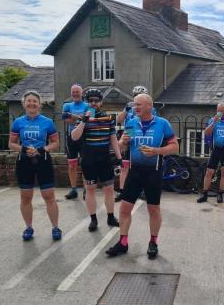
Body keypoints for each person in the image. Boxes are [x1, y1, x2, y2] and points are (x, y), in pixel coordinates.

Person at [106, 93, 179, 259]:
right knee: (124, 208)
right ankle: (123, 242)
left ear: (149, 106)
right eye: (134, 105)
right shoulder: (131, 123)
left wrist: (156, 151)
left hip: (153, 171)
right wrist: (122, 142)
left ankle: (153, 242)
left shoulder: (162, 124)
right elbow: (121, 149)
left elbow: (175, 146)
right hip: (135, 171)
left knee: (153, 209)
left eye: (139, 104)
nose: (135, 107)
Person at [8, 91, 62, 240]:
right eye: (29, 101)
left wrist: (43, 149)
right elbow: (11, 143)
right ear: (24, 104)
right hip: (24, 161)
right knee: (26, 197)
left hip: (43, 160)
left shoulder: (47, 122)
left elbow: (56, 143)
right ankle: (28, 228)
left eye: (34, 101)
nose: (32, 104)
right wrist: (24, 149)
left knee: (49, 196)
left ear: (39, 104)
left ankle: (55, 228)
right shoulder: (18, 122)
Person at [70, 89, 122, 231]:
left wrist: (119, 157)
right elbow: (74, 137)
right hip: (89, 158)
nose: (93, 103)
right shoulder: (82, 118)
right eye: (90, 101)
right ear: (87, 102)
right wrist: (84, 121)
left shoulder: (109, 118)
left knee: (109, 189)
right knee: (90, 189)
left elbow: (113, 139)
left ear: (101, 102)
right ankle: (93, 219)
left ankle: (111, 217)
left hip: (104, 157)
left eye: (96, 101)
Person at [114, 85, 160, 202]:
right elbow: (118, 120)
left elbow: (155, 123)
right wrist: (126, 109)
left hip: (144, 133)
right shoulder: (130, 107)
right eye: (135, 96)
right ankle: (122, 191)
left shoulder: (151, 109)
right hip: (130, 130)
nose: (137, 98)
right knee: (124, 166)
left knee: (143, 164)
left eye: (139, 96)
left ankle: (144, 191)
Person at [197, 103, 224, 204]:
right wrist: (213, 123)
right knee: (209, 172)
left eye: (221, 111)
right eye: (218, 110)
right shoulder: (212, 120)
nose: (219, 112)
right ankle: (205, 194)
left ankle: (220, 194)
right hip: (215, 150)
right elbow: (207, 133)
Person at [62, 84, 88, 200]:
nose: (75, 94)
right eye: (73, 92)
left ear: (81, 93)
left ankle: (86, 189)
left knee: (85, 164)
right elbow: (66, 119)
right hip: (71, 138)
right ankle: (73, 190)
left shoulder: (87, 105)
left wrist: (73, 116)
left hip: (84, 138)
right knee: (72, 165)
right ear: (71, 93)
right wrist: (80, 117)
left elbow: (88, 119)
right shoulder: (67, 105)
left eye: (77, 92)